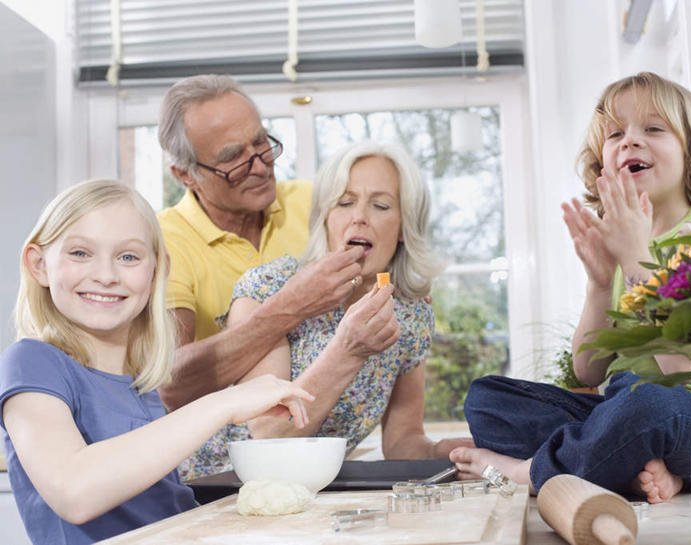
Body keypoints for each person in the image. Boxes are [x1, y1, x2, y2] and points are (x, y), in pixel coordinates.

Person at [449, 72, 691, 503]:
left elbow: (685, 372)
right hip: (620, 411)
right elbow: (589, 372)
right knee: (488, 398)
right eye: (616, 133)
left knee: (646, 404)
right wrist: (600, 284)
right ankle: (631, 469)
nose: (630, 142)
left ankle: (534, 472)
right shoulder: (624, 241)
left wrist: (637, 264)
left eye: (653, 129)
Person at [0, 180, 314, 545]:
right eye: (80, 253)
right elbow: (74, 491)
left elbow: (162, 512)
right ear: (38, 265)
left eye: (128, 257)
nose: (106, 275)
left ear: (158, 270)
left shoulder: (140, 385)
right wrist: (224, 404)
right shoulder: (31, 363)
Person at [181, 141, 474, 479]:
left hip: (309, 495)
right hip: (210, 489)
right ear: (326, 219)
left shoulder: (410, 315)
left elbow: (402, 441)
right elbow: (269, 436)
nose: (359, 217)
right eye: (344, 202)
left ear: (405, 227)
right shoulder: (270, 287)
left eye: (380, 205)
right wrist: (347, 351)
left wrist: (449, 451)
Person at [156, 74, 368, 413]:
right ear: (185, 174)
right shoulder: (163, 240)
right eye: (233, 158)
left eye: (261, 143)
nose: (260, 166)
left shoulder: (314, 203)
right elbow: (168, 383)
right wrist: (289, 307)